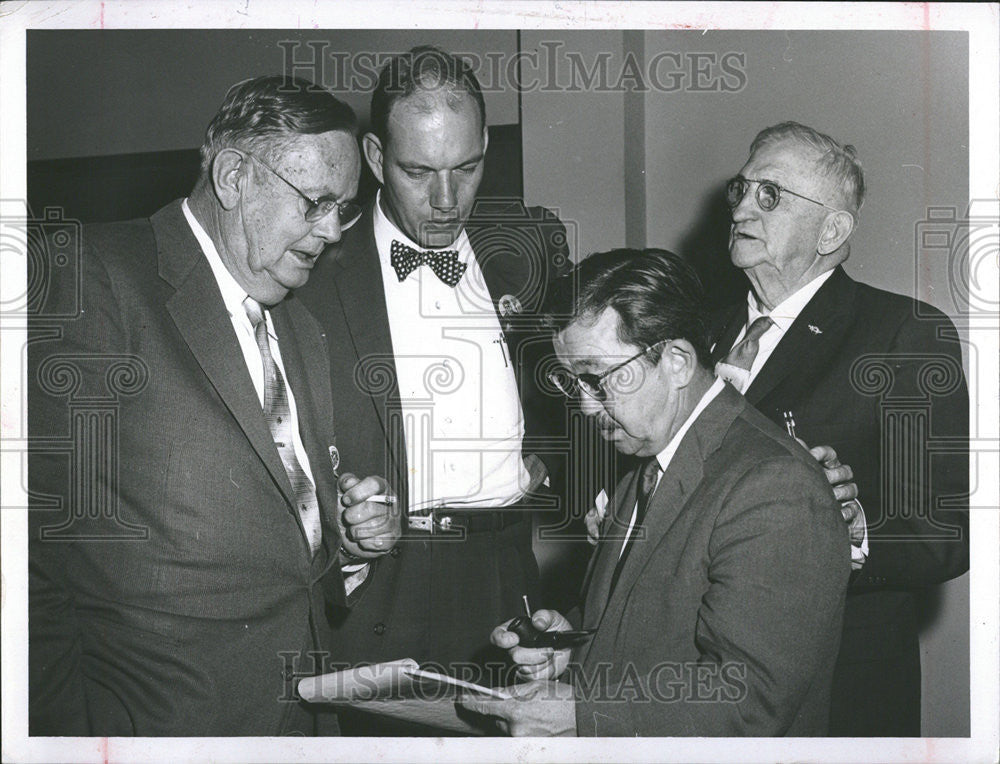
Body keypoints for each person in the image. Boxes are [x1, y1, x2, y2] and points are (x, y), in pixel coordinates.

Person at [27, 75, 399, 736]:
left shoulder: (302, 324)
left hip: (302, 717)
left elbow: (277, 530)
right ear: (233, 176)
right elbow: (31, 553)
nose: (333, 231)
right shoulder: (91, 276)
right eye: (315, 202)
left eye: (343, 208)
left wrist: (346, 535)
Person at [459, 248, 851, 736]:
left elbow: (748, 700)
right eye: (571, 381)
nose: (584, 406)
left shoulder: (774, 488)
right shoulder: (645, 465)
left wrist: (581, 716)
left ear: (678, 362)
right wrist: (570, 645)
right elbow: (645, 623)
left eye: (597, 379)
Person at [296, 45, 569, 700]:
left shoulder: (526, 246)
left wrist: (543, 457)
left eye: (466, 168)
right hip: (384, 586)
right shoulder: (312, 274)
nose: (447, 200)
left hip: (509, 573)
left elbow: (568, 371)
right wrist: (337, 518)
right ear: (373, 159)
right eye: (418, 172)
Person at [710, 122, 969, 735]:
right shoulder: (695, 330)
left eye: (770, 195)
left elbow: (941, 535)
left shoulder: (904, 334)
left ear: (832, 230)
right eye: (742, 189)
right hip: (705, 662)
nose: (743, 207)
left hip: (837, 677)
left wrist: (849, 533)